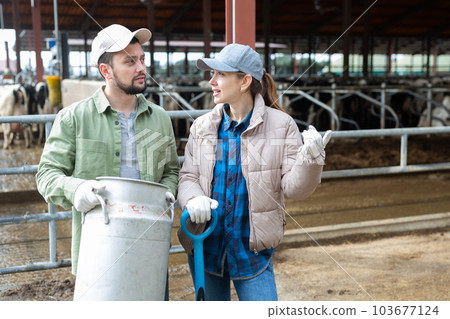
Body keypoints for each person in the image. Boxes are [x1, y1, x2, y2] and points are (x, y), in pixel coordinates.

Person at [177, 43, 331, 301]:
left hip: (251, 252)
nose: (211, 81)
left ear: (245, 81)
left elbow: (295, 189)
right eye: (212, 74)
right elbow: (188, 176)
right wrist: (193, 199)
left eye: (220, 75)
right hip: (205, 247)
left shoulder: (282, 126)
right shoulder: (202, 126)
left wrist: (310, 159)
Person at [36, 24, 180, 291]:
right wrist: (77, 188)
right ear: (106, 71)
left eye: (142, 59)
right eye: (129, 61)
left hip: (152, 247)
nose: (141, 68)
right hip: (97, 249)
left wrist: (167, 194)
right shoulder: (74, 118)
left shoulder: (160, 118)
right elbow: (46, 175)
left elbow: (171, 170)